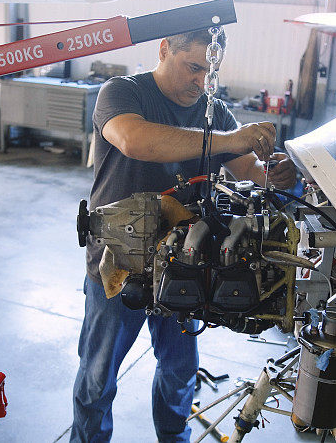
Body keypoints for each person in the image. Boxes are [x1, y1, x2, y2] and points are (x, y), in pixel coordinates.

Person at [71, 29, 297, 443]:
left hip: (184, 267)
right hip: (120, 267)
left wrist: (276, 171)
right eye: (194, 67)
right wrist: (227, 141)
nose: (202, 81)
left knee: (179, 373)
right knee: (97, 377)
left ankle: (175, 439)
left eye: (210, 71)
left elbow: (250, 169)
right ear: (164, 50)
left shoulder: (213, 112)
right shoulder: (121, 93)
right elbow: (134, 140)